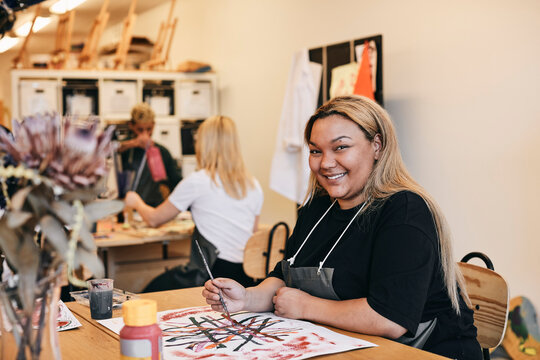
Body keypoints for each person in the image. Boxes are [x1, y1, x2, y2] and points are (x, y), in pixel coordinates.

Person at [203, 95, 482, 360]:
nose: (325, 163)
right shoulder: (318, 206)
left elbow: (390, 319)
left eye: (340, 147)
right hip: (350, 345)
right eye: (315, 151)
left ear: (377, 146)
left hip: (429, 352)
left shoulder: (405, 211)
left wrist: (306, 306)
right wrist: (247, 298)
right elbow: (285, 274)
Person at [125, 115, 263, 290]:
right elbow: (251, 234)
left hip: (212, 275)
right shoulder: (253, 184)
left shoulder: (198, 181)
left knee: (147, 293)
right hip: (245, 278)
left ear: (204, 145)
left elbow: (154, 219)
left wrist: (136, 202)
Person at [117, 103, 181, 207]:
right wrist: (134, 143)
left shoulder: (162, 151)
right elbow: (107, 151)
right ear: (131, 125)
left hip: (154, 207)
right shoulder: (124, 149)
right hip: (128, 208)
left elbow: (176, 181)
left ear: (154, 125)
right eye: (140, 130)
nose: (145, 135)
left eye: (149, 129)